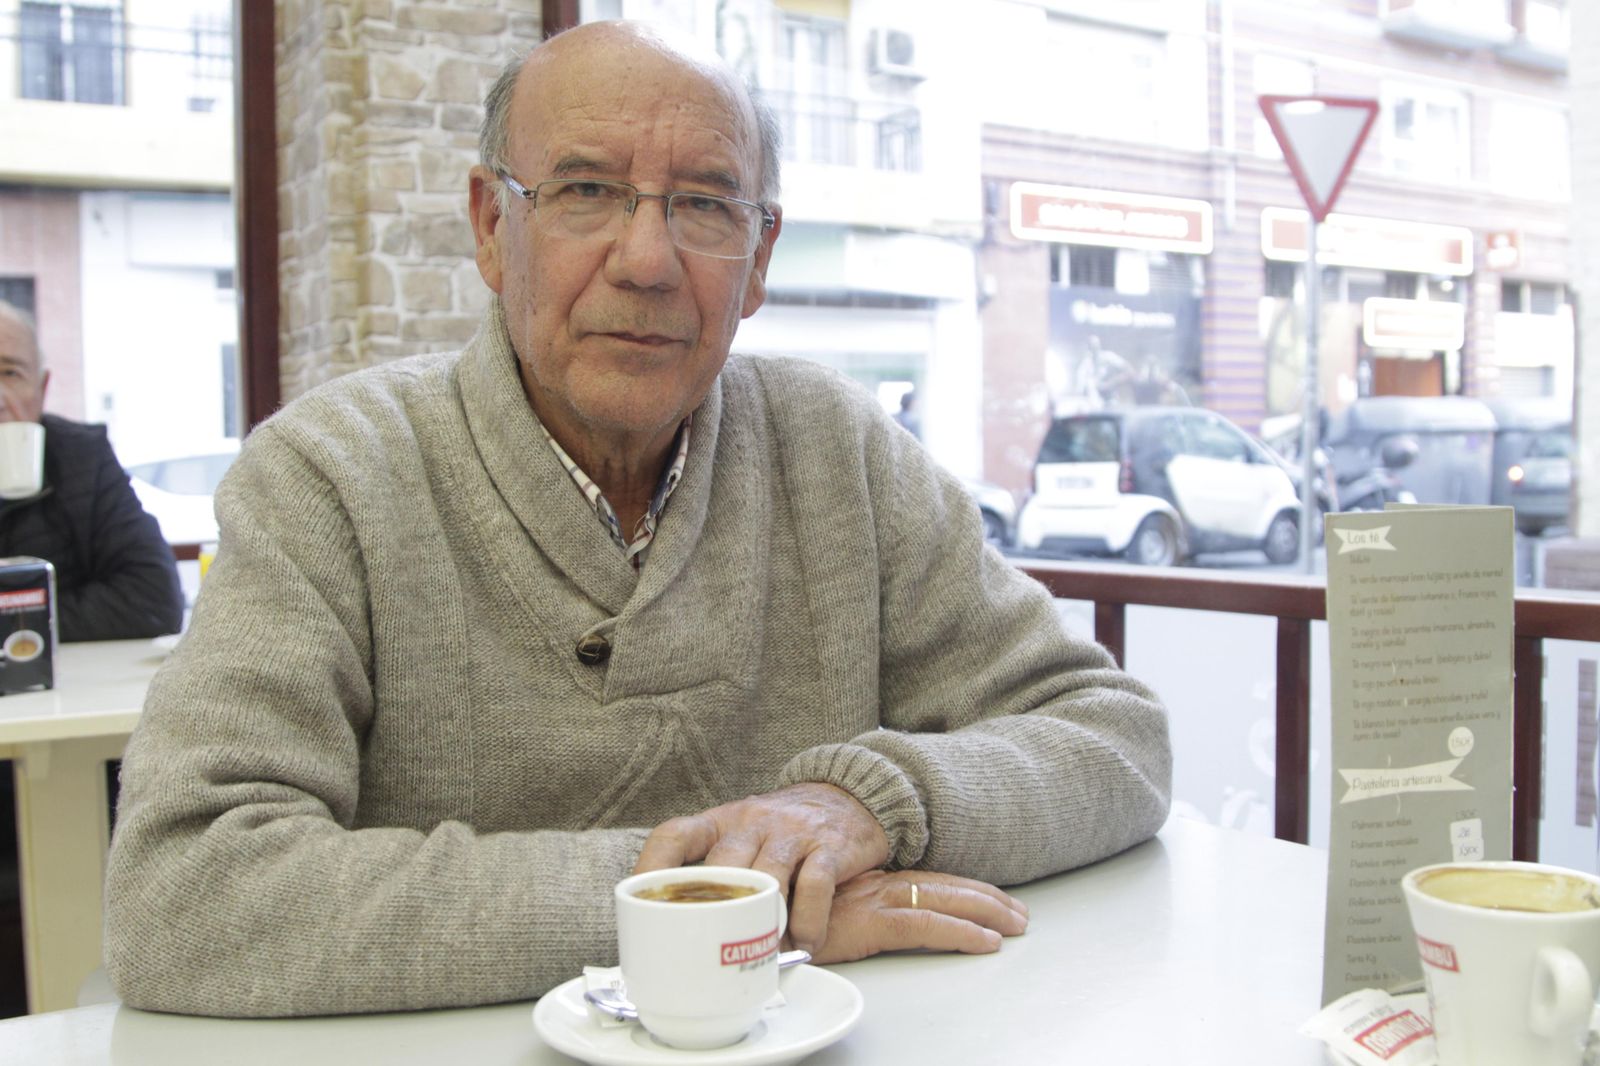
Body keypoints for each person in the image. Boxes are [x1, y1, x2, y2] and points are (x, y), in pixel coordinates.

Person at [104, 21, 1171, 1018]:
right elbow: (185, 890)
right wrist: (716, 906)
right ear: (491, 224)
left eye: (706, 205)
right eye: (585, 190)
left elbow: (1115, 739)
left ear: (758, 259)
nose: (648, 260)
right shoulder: (331, 475)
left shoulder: (835, 453)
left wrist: (863, 808)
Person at [0, 301, 182, 641]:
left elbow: (154, 600)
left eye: (10, 373)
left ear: (42, 389)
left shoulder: (81, 458)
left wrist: (17, 626)